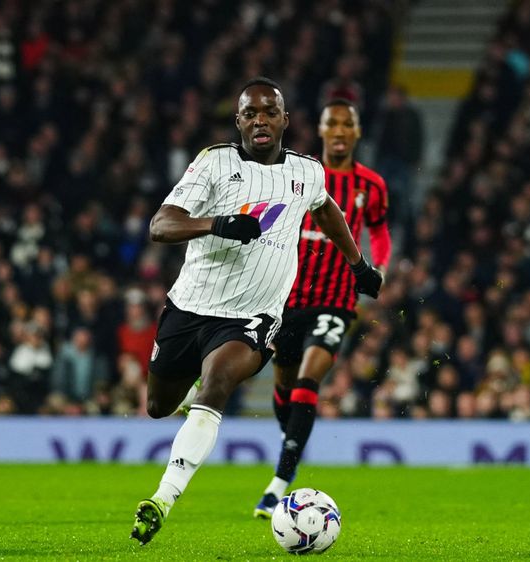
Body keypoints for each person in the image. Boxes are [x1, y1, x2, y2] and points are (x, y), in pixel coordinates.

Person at [130, 78, 382, 545]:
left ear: (285, 119)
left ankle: (162, 498)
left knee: (219, 382)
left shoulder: (307, 172)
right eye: (250, 113)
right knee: (158, 407)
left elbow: (326, 211)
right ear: (238, 121)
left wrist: (358, 264)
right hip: (189, 307)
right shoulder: (213, 163)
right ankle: (186, 399)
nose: (260, 120)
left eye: (269, 112)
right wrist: (218, 224)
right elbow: (160, 225)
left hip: (255, 316)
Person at [253, 98, 392, 518]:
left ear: (356, 132)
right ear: (321, 130)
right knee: (286, 386)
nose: (339, 131)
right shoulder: (300, 173)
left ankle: (278, 484)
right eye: (332, 123)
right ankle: (293, 436)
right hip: (288, 297)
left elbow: (379, 231)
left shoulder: (372, 185)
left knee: (311, 375)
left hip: (336, 299)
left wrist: (379, 266)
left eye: (347, 124)